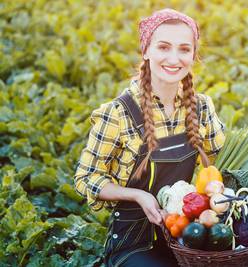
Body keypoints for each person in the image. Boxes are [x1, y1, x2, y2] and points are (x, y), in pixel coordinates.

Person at [73, 8, 226, 267]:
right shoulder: (119, 113)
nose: (174, 58)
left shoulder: (201, 107)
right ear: (146, 51)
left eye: (184, 49)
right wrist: (137, 195)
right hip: (134, 242)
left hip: (189, 234)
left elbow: (221, 165)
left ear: (193, 55)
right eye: (163, 47)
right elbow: (86, 178)